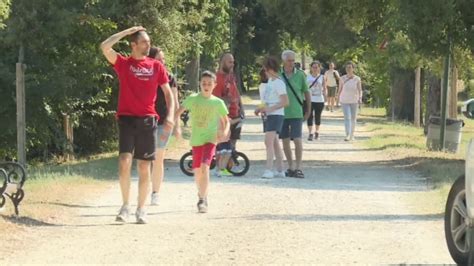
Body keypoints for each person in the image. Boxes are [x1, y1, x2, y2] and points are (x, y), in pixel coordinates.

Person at [100, 26, 175, 224]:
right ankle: (125, 206)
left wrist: (171, 116)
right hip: (126, 119)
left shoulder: (156, 66)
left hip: (148, 120)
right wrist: (126, 32)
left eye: (149, 42)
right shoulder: (124, 64)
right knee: (124, 162)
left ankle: (141, 209)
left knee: (144, 166)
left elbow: (168, 93)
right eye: (144, 42)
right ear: (133, 45)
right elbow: (105, 47)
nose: (148, 45)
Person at [175, 71, 229, 213]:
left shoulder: (218, 102)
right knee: (197, 171)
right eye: (203, 83)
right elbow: (178, 112)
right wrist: (175, 126)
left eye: (209, 84)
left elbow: (226, 121)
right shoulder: (193, 99)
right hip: (197, 139)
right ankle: (201, 193)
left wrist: (224, 131)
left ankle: (202, 200)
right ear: (200, 83)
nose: (206, 86)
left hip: (211, 139)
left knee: (205, 167)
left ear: (214, 85)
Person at [147, 47, 180, 206]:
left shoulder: (170, 78)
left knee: (158, 158)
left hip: (163, 122)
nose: (162, 62)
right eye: (159, 59)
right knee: (146, 158)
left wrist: (176, 124)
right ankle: (144, 189)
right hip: (146, 121)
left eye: (163, 59)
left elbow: (175, 100)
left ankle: (155, 192)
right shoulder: (145, 76)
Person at [255, 57, 289, 179]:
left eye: (265, 68)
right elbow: (267, 99)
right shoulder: (270, 82)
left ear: (269, 69)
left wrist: (270, 109)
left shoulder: (279, 83)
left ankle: (269, 169)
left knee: (268, 141)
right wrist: (260, 108)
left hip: (276, 114)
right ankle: (281, 169)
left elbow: (285, 101)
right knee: (274, 142)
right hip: (269, 115)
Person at [279, 50, 311, 178]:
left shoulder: (301, 75)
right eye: (289, 60)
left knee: (297, 139)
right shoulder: (278, 75)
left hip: (297, 112)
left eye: (293, 60)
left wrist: (308, 110)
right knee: (285, 140)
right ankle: (291, 166)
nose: (292, 63)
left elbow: (307, 92)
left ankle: (298, 166)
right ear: (283, 61)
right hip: (282, 112)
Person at [212, 53, 243, 177]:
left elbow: (236, 92)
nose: (232, 64)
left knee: (233, 142)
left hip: (236, 113)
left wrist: (242, 108)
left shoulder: (231, 76)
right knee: (223, 143)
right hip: (225, 116)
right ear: (222, 62)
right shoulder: (217, 78)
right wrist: (228, 101)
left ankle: (227, 167)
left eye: (233, 62)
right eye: (230, 62)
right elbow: (216, 99)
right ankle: (219, 168)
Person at [337, 61, 362, 141]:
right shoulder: (342, 78)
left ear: (353, 69)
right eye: (347, 67)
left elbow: (360, 90)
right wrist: (337, 99)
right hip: (344, 100)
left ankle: (352, 135)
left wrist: (360, 97)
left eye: (350, 67)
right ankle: (347, 135)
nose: (348, 69)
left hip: (354, 100)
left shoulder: (357, 79)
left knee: (353, 118)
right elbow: (339, 89)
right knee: (347, 117)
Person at [306, 61, 327, 141]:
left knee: (318, 116)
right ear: (311, 68)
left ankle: (317, 131)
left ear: (319, 68)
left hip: (319, 99)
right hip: (309, 99)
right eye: (313, 67)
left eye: (316, 67)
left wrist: (325, 97)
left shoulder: (322, 77)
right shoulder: (307, 77)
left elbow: (324, 88)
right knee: (309, 116)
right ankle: (310, 133)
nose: (315, 69)